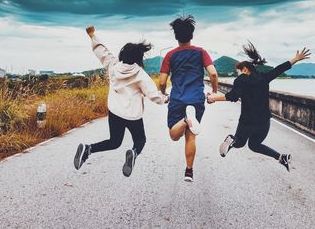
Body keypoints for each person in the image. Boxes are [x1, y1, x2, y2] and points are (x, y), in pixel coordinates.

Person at [74, 26, 169, 177]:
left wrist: (92, 35)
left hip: (115, 112)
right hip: (133, 116)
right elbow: (153, 95)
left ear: (122, 54)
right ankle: (133, 152)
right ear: (138, 57)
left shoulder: (113, 65)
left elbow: (101, 51)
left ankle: (88, 149)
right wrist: (165, 98)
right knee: (140, 140)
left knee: (114, 142)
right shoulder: (140, 74)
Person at [207, 41, 311, 171]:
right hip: (264, 122)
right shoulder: (264, 77)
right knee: (254, 145)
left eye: (238, 71)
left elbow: (233, 96)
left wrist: (213, 98)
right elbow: (279, 69)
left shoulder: (241, 80)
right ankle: (281, 157)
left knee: (239, 143)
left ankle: (231, 139)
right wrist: (295, 59)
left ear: (245, 70)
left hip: (247, 121)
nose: (237, 74)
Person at [159, 15, 219, 182]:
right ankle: (189, 171)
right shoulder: (201, 52)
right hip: (196, 99)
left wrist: (163, 94)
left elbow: (162, 81)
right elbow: (213, 73)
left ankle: (186, 120)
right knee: (191, 136)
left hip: (177, 98)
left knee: (173, 135)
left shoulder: (170, 55)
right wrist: (213, 91)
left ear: (176, 36)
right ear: (191, 35)